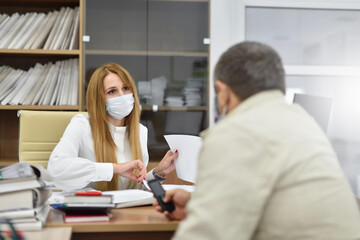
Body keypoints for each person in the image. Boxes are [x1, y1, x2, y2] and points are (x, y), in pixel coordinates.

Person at [154, 42, 360, 239]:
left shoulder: (234, 131)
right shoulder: (305, 123)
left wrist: (201, 216)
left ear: (223, 92)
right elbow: (269, 199)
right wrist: (198, 206)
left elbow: (204, 235)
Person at [47, 63, 178, 191]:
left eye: (126, 88)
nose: (122, 96)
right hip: (91, 209)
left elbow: (136, 187)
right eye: (112, 91)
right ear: (99, 99)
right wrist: (114, 168)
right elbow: (56, 170)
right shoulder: (82, 125)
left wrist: (159, 172)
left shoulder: (140, 131)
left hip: (125, 210)